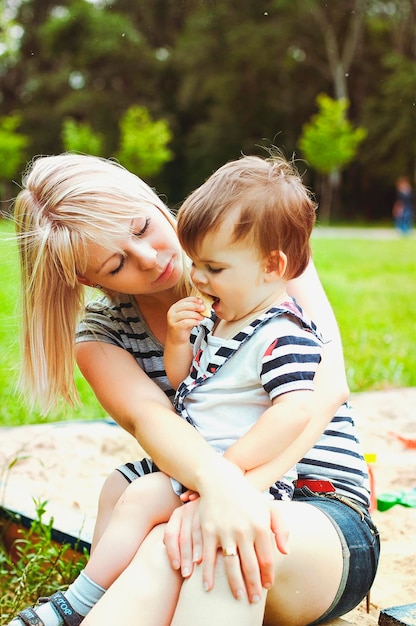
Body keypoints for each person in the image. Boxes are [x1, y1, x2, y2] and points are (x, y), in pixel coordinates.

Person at [10, 152, 379, 626]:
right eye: (117, 262)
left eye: (141, 227)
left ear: (147, 199)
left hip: (318, 502)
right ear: (86, 278)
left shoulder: (257, 247)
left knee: (215, 547)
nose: (151, 258)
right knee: (146, 516)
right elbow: (154, 421)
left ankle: (76, 609)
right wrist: (214, 494)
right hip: (197, 491)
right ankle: (84, 607)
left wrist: (233, 493)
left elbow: (327, 391)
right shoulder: (102, 336)